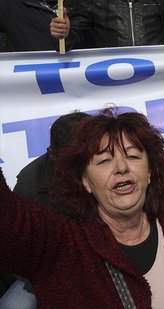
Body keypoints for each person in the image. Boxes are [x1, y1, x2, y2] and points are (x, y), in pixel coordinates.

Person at [0, 110, 164, 308]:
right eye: (103, 161)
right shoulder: (62, 243)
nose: (121, 167)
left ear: (150, 171)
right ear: (86, 182)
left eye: (132, 156)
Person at [0, 111, 89, 309]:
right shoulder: (29, 185)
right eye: (71, 158)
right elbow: (18, 251)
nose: (80, 165)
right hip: (47, 272)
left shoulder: (110, 168)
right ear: (52, 154)